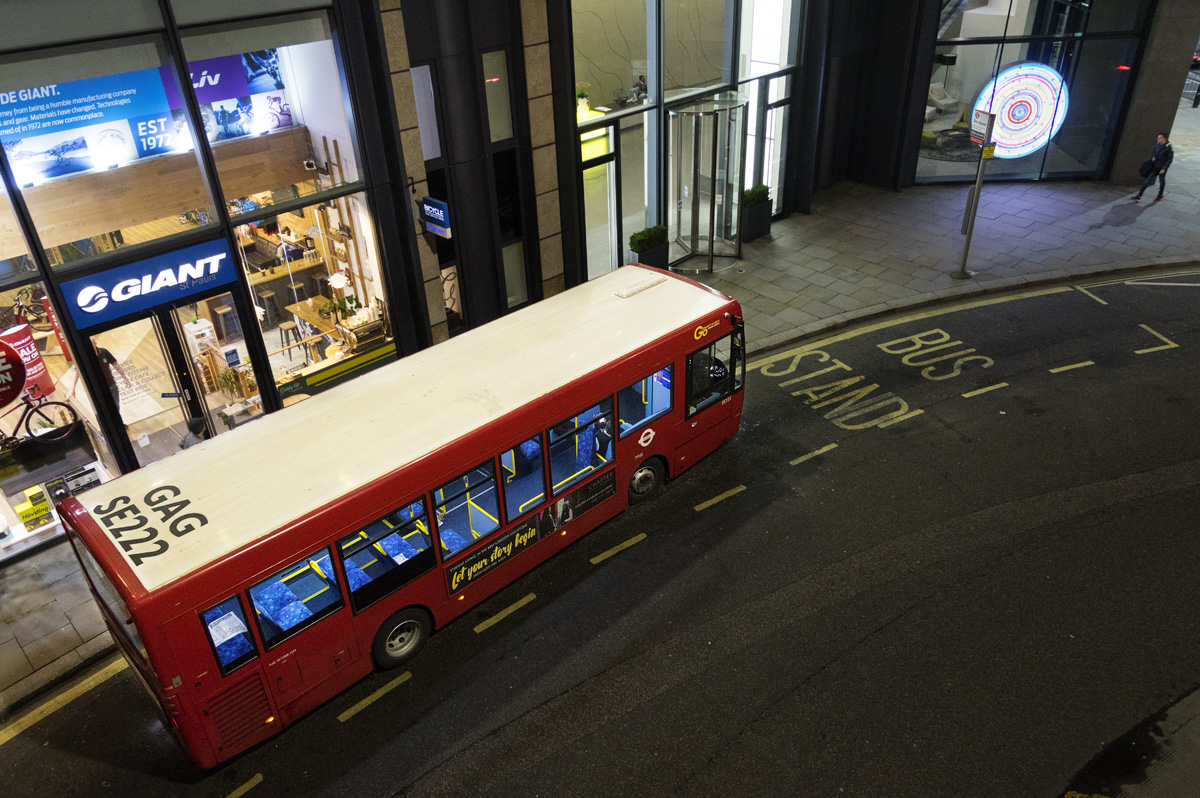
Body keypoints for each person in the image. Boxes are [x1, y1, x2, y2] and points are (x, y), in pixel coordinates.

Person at [1132, 133, 1173, 203]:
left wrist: (1164, 168)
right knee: (1146, 181)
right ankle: (1139, 195)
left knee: (1161, 181)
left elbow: (1170, 159)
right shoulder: (1157, 144)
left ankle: (1160, 195)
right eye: (1158, 138)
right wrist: (1154, 157)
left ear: (1164, 138)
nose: (1158, 139)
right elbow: (1154, 152)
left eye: (1160, 138)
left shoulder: (1168, 147)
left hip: (1162, 168)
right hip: (1155, 166)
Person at [93, 342, 127, 415]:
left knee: (116, 405)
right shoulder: (85, 356)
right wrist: (72, 388)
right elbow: (77, 372)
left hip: (111, 384)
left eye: (91, 344)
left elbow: (116, 365)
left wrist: (125, 378)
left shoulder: (104, 352)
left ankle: (118, 423)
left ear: (95, 344)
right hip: (98, 388)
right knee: (103, 408)